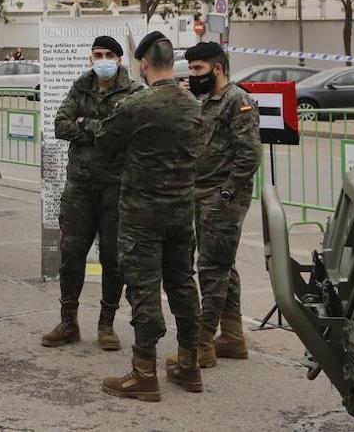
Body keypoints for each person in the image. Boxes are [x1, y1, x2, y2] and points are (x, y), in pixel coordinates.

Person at [94, 31, 204, 401]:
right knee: (183, 284)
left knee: (143, 288)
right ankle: (189, 365)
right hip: (180, 212)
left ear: (142, 64)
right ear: (171, 63)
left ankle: (144, 373)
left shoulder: (136, 106)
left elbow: (104, 147)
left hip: (142, 215)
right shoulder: (192, 103)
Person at [42, 35, 142, 351]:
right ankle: (68, 322)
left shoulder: (133, 92)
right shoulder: (80, 86)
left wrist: (87, 125)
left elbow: (126, 134)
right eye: (98, 54)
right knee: (71, 254)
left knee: (113, 258)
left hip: (116, 188)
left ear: (119, 59)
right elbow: (60, 125)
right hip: (80, 188)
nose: (103, 60)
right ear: (90, 59)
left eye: (109, 55)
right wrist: (101, 131)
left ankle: (107, 324)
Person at [170, 40, 261, 370]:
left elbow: (249, 154)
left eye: (198, 69)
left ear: (217, 68)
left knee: (211, 269)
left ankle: (202, 343)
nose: (193, 75)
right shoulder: (204, 99)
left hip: (222, 199)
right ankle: (233, 337)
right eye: (191, 69)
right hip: (201, 193)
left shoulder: (237, 100)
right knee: (222, 266)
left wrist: (226, 194)